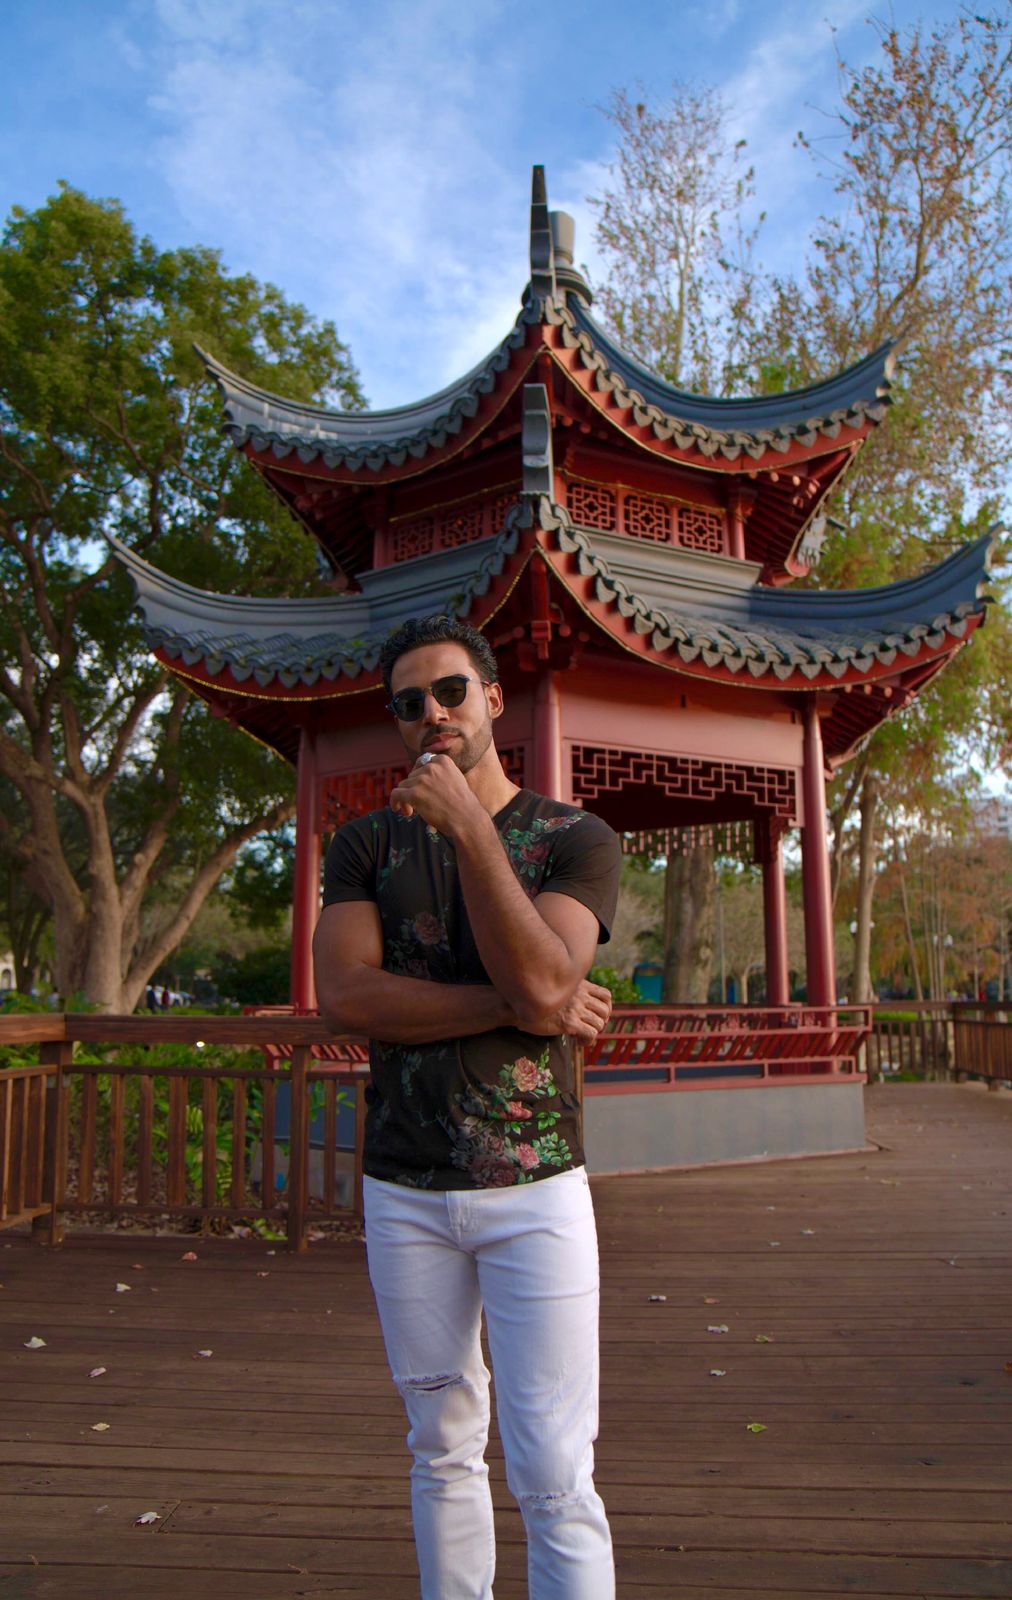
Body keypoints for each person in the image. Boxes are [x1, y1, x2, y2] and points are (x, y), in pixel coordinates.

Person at [314, 614, 622, 1600]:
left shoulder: (574, 838)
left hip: (535, 1187)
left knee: (554, 1466)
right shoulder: (364, 843)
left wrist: (472, 829)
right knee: (440, 1444)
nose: (432, 713)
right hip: (404, 1187)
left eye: (451, 691)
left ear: (492, 698)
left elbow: (548, 976)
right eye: (410, 703)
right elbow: (347, 998)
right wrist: (522, 1006)